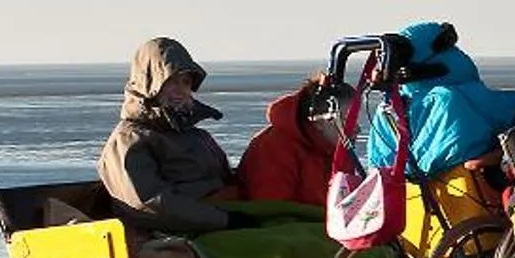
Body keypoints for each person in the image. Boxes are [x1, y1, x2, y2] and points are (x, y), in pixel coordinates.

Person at [99, 37, 240, 234]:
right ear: (149, 84)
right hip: (173, 233)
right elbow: (148, 203)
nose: (180, 90)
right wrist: (224, 220)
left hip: (220, 218)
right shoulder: (130, 140)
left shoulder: (196, 136)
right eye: (170, 81)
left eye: (185, 82)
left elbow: (226, 179)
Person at [358, 21, 515, 179]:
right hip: (461, 178)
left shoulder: (392, 109)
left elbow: (381, 162)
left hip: (408, 183)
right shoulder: (447, 100)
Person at [234, 74, 343, 209]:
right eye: (347, 120)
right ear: (320, 122)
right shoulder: (275, 149)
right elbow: (271, 209)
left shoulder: (333, 150)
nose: (357, 128)